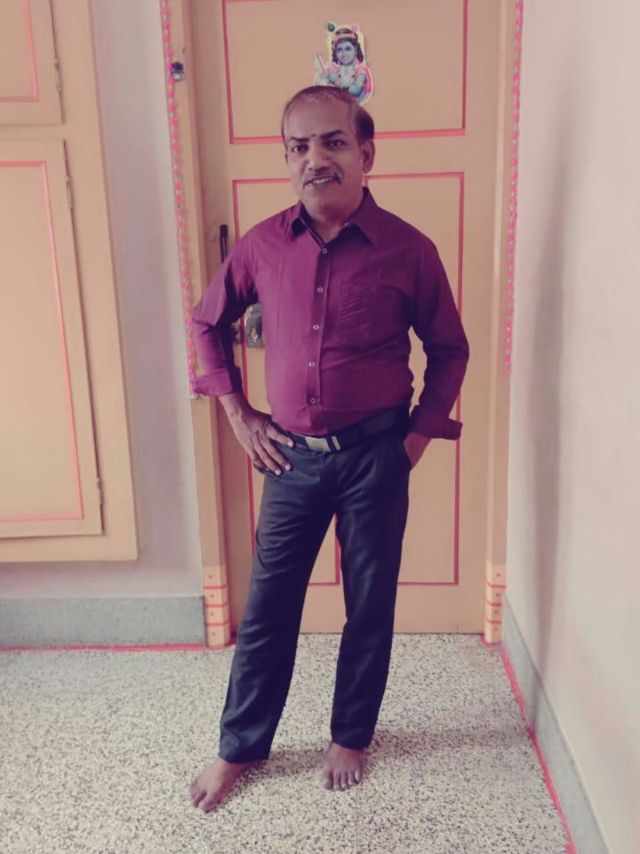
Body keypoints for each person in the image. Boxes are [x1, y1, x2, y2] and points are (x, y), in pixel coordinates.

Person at [189, 86, 469, 812]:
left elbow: (449, 349)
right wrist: (239, 415)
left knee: (368, 603)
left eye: (333, 142)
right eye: (299, 146)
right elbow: (206, 324)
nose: (315, 159)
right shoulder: (260, 247)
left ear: (365, 153)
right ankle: (240, 745)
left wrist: (414, 439)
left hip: (377, 456)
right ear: (288, 160)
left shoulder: (409, 250)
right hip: (290, 460)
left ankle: (351, 734)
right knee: (266, 610)